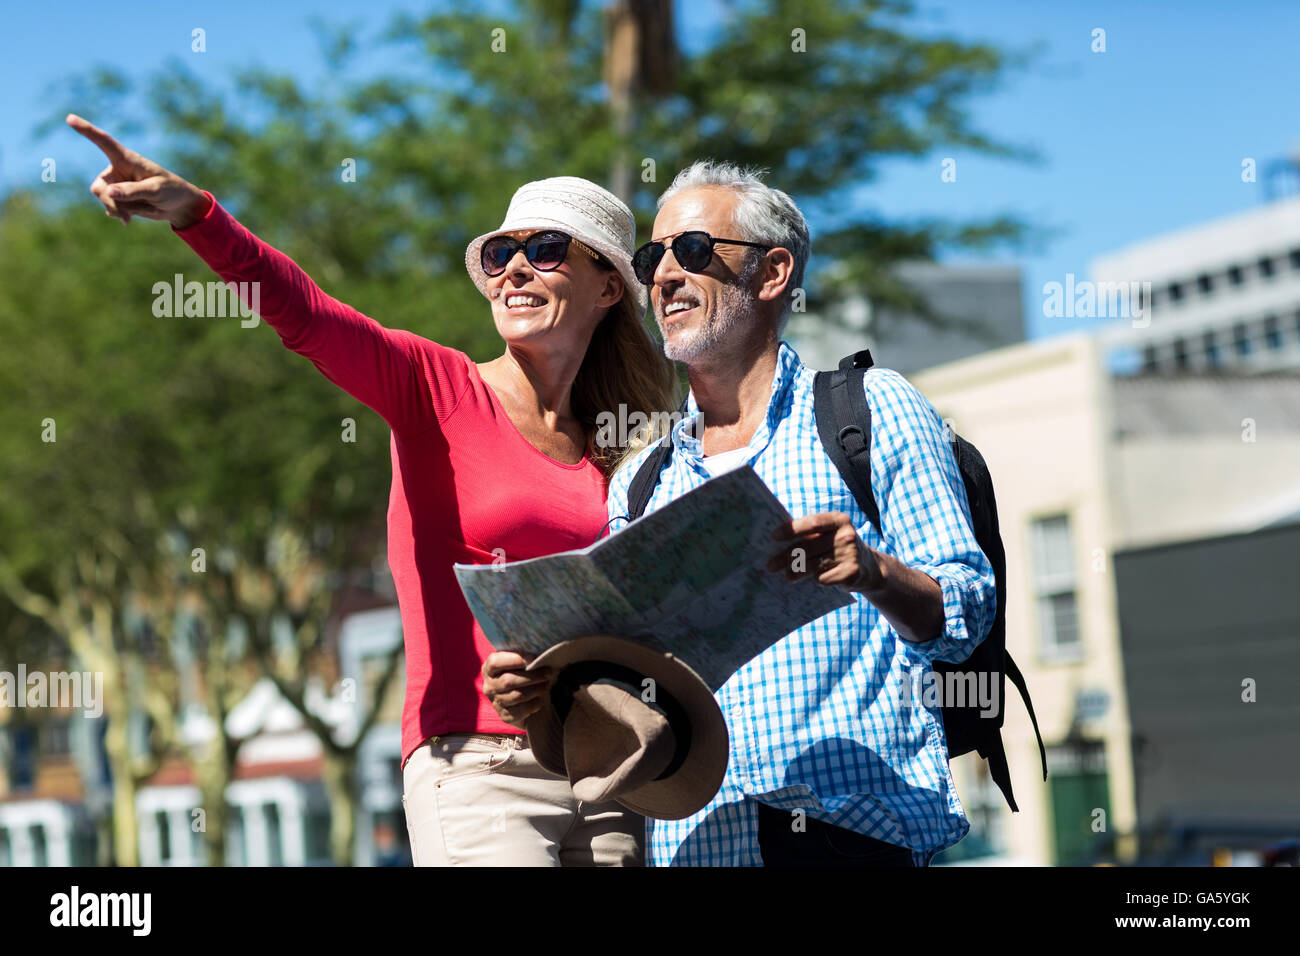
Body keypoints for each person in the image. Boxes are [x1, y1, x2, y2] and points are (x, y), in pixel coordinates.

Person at [67, 113, 677, 867]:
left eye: (546, 249)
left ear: (609, 285)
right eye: (501, 253)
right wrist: (199, 216)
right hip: (477, 764)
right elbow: (307, 316)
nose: (515, 268)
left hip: (606, 766)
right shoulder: (434, 386)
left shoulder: (627, 445)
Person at [485, 160, 997, 867]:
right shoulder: (640, 482)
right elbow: (628, 687)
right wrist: (539, 694)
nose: (664, 276)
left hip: (850, 836)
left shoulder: (869, 411)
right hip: (695, 847)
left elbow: (967, 612)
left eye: (693, 250)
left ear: (774, 272)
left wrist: (872, 572)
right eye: (652, 259)